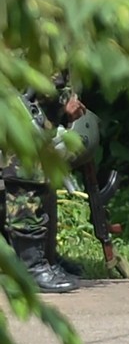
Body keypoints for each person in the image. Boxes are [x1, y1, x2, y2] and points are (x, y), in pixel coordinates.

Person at [3, 75, 88, 293]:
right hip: (18, 106)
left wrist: (66, 99)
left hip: (37, 109)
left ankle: (40, 256)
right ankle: (30, 267)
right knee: (26, 179)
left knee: (41, 179)